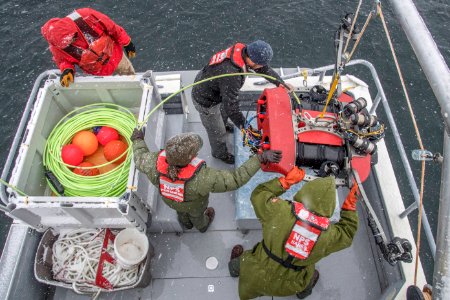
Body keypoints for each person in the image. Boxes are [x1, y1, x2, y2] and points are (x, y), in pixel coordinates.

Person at [228, 167, 359, 299]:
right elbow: (347, 233)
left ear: (305, 192)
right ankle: (303, 293)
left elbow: (259, 194)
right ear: (329, 207)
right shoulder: (329, 236)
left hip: (256, 272)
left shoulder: (279, 210)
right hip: (291, 284)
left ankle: (234, 269)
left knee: (247, 278)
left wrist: (285, 182)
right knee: (307, 277)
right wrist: (349, 207)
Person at [131, 128, 282, 233]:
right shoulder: (203, 178)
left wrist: (138, 139)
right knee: (197, 216)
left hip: (170, 201)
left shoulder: (151, 162)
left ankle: (185, 223)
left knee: (181, 211)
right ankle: (202, 226)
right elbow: (236, 180)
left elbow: (138, 157)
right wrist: (260, 158)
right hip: (195, 207)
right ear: (191, 158)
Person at [192, 40, 294, 164]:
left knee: (223, 113)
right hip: (206, 101)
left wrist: (279, 83)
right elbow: (232, 108)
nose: (262, 67)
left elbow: (263, 69)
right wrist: (248, 130)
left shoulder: (244, 52)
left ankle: (223, 124)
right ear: (252, 60)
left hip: (216, 89)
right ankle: (220, 154)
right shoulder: (231, 74)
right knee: (217, 132)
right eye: (260, 64)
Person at [41, 8, 136, 87]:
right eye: (67, 44)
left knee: (131, 79)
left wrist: (127, 42)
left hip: (117, 57)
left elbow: (111, 27)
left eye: (73, 37)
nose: (72, 41)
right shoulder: (56, 47)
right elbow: (63, 60)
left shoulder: (85, 15)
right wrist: (67, 70)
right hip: (99, 74)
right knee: (111, 89)